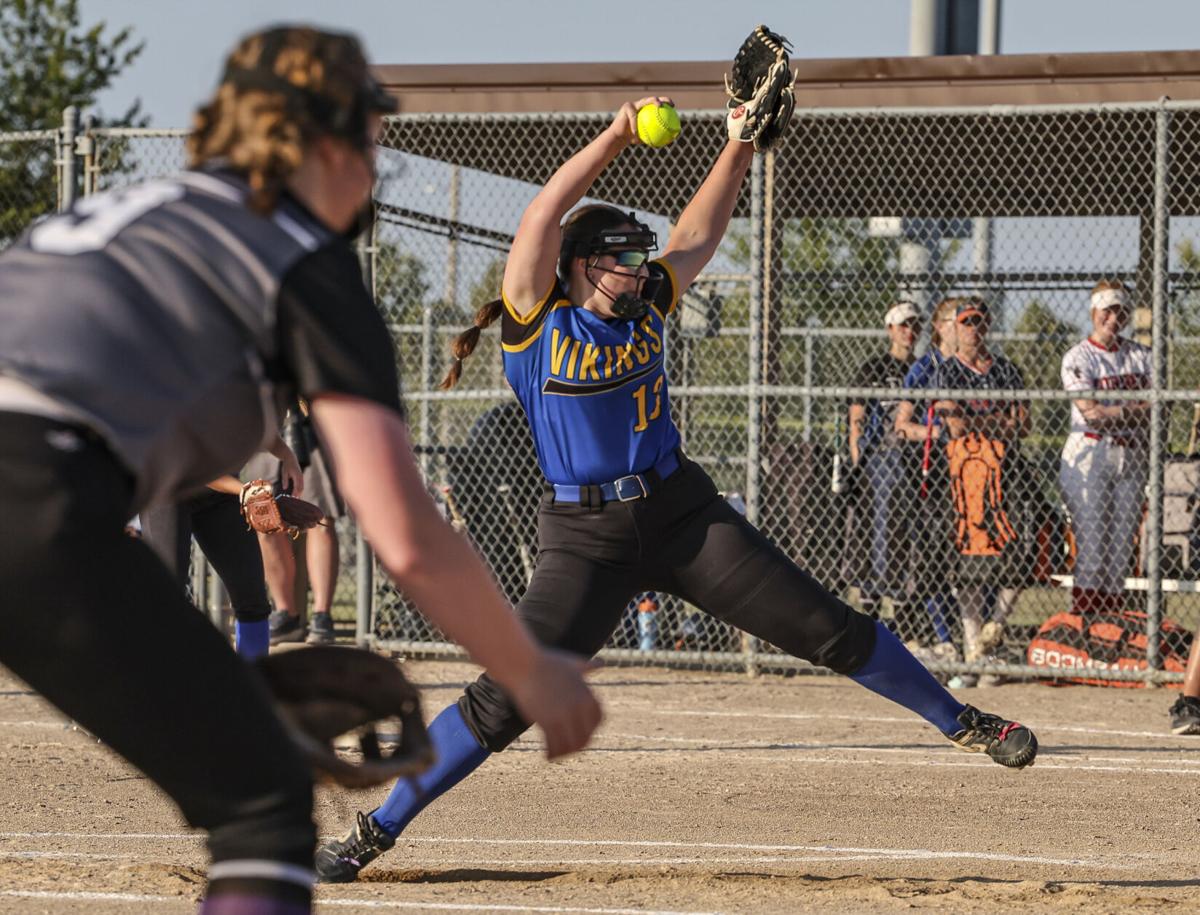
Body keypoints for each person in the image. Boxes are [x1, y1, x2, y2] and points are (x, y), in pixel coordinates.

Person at [314, 90, 1039, 885]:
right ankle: (373, 832)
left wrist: (737, 143)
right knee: (505, 700)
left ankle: (962, 719)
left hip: (682, 512)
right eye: (621, 257)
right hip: (583, 539)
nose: (637, 268)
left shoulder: (649, 303)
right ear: (582, 264)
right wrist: (617, 137)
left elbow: (697, 233)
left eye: (637, 257)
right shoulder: (536, 318)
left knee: (825, 624)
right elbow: (543, 214)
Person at [0, 25, 600, 915]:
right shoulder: (299, 257)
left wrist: (254, 483)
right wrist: (529, 668)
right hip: (31, 488)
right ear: (323, 140)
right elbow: (404, 532)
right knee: (264, 801)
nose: (375, 157)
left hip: (40, 480)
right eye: (368, 134)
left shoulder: (139, 211)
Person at [935, 299, 1031, 681]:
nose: (973, 328)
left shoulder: (1006, 370)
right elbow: (955, 427)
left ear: (988, 325)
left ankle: (996, 627)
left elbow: (1022, 424)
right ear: (954, 328)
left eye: (978, 321)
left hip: (1005, 473)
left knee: (1019, 552)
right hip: (962, 479)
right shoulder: (947, 371)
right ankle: (975, 649)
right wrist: (997, 420)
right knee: (967, 565)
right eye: (965, 322)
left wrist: (978, 421)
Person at [1059, 280, 1151, 618]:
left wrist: (1121, 412)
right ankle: (1084, 626)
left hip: (1131, 456)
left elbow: (1160, 409)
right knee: (1094, 551)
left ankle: (1109, 628)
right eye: (1107, 310)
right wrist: (1134, 411)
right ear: (1094, 311)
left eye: (1121, 311)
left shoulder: (1141, 355)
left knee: (1119, 555)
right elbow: (1091, 414)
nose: (1114, 318)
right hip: (1090, 455)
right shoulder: (1078, 357)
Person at [847, 301, 920, 630]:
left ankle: (904, 604)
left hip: (912, 458)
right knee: (877, 529)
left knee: (906, 530)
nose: (910, 331)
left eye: (915, 325)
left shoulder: (921, 368)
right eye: (903, 325)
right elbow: (856, 420)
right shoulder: (875, 367)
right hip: (879, 456)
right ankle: (872, 600)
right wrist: (858, 461)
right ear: (890, 329)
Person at [895, 298, 962, 651]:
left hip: (972, 471)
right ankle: (943, 636)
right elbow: (902, 424)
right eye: (954, 320)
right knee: (933, 554)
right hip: (933, 475)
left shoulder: (975, 366)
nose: (962, 327)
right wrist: (935, 433)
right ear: (939, 326)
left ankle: (973, 636)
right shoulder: (926, 367)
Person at [245, 407, 345, 645]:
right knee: (264, 515)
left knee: (320, 517)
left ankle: (322, 615)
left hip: (313, 424)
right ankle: (285, 614)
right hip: (267, 420)